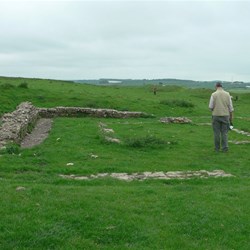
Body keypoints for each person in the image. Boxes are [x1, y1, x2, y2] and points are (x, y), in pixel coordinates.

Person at [209, 82, 234, 152]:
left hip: (216, 115)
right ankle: (225, 148)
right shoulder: (227, 94)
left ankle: (217, 149)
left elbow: (210, 107)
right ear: (222, 86)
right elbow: (231, 107)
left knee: (216, 133)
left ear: (216, 86)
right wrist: (231, 117)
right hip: (225, 115)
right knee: (224, 133)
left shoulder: (213, 94)